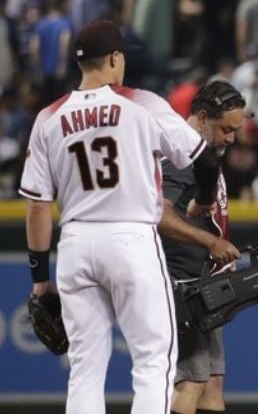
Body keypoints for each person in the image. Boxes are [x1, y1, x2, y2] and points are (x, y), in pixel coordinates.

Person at [20, 20, 237, 414]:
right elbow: (202, 158)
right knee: (154, 361)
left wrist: (39, 282)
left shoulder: (48, 117)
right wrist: (204, 199)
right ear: (115, 58)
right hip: (131, 237)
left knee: (85, 368)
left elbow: (37, 206)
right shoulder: (142, 103)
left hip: (76, 242)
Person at [158, 81, 247, 414]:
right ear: (201, 116)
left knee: (212, 386)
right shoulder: (179, 154)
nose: (231, 138)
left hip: (204, 284)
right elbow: (159, 216)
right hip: (179, 283)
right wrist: (211, 242)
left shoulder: (204, 153)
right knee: (190, 382)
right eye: (225, 128)